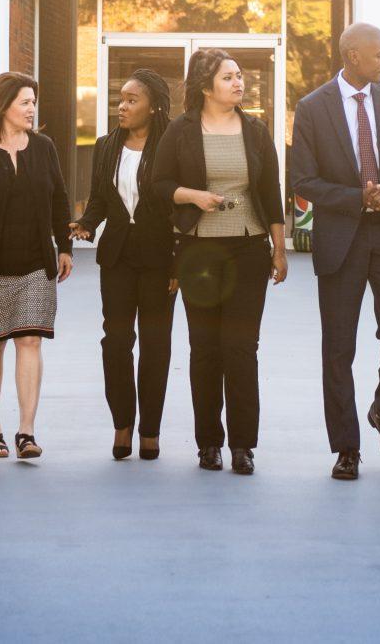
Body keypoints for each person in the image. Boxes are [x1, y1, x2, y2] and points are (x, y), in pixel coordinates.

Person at [285, 23, 380, 481]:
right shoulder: (312, 108)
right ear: (352, 56)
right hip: (341, 240)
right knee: (338, 349)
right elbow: (303, 179)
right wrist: (356, 198)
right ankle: (346, 448)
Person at [150, 48, 288, 476]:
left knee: (242, 349)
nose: (239, 83)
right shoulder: (181, 130)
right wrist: (195, 197)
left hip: (249, 247)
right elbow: (159, 185)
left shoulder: (256, 130)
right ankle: (208, 443)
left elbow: (270, 192)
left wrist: (279, 250)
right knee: (205, 350)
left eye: (240, 76)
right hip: (199, 252)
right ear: (206, 85)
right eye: (229, 77)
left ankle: (244, 446)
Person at [0, 72, 74, 460]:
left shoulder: (44, 147)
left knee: (30, 339)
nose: (31, 108)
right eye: (24, 102)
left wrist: (64, 246)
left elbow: (59, 199)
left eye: (33, 101)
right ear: (2, 105)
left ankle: (26, 431)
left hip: (35, 262)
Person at [70, 69, 178, 461]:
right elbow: (100, 198)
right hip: (115, 257)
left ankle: (150, 429)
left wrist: (177, 265)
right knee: (115, 342)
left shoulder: (171, 146)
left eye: (132, 100)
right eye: (121, 98)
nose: (122, 106)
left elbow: (178, 209)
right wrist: (85, 224)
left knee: (155, 346)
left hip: (159, 259)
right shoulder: (106, 145)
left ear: (154, 106)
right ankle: (123, 424)